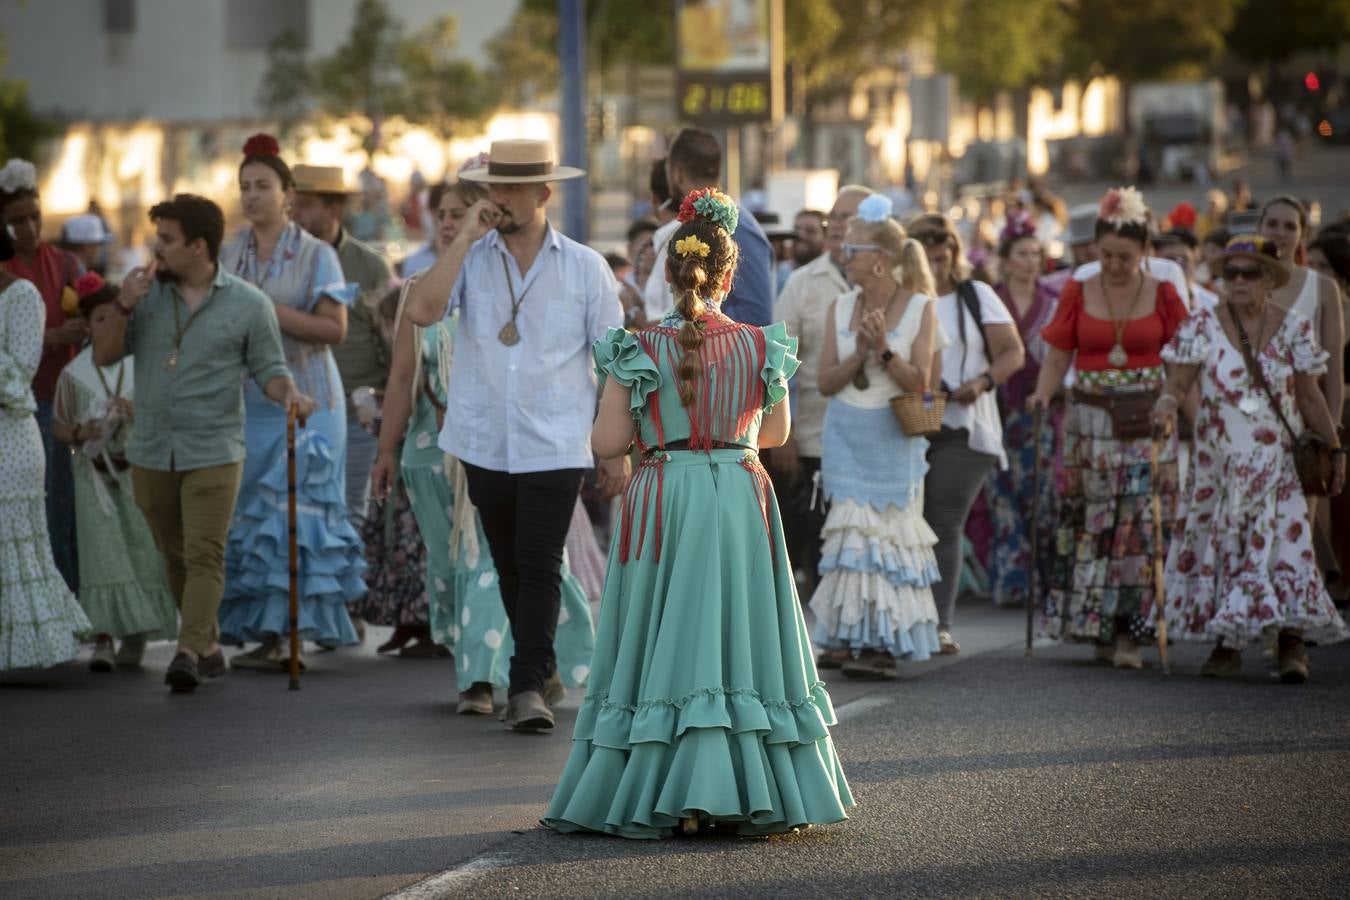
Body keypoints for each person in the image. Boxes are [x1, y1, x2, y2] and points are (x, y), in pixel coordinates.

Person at [542, 187, 853, 838]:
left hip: (663, 491)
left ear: (666, 270)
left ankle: (664, 788)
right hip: (739, 492)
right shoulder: (761, 345)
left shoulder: (638, 346)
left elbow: (604, 443)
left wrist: (643, 427)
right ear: (730, 273)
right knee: (737, 640)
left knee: (669, 637)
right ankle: (748, 786)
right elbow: (773, 435)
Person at [404, 139, 627, 731]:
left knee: (539, 560)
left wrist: (618, 448)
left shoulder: (585, 266)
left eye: (510, 188)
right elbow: (422, 310)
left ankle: (525, 686)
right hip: (482, 438)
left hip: (556, 441)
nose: (498, 198)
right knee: (509, 566)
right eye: (493, 187)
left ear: (543, 194)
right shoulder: (470, 258)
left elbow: (614, 363)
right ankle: (543, 667)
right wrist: (461, 239)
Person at [92, 193, 312, 693]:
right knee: (173, 557)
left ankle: (187, 652)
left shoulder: (248, 304)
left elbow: (270, 369)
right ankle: (208, 644)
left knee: (205, 553)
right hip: (150, 449)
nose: (156, 248)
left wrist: (291, 393)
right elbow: (104, 355)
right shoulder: (144, 298)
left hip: (215, 449)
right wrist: (122, 303)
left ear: (198, 246)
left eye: (167, 240)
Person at [1152, 235, 1347, 681]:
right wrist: (1165, 404)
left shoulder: (1296, 326)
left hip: (1277, 460)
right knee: (1227, 546)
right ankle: (1227, 645)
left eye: (1249, 272)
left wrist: (1334, 447)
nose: (1238, 281)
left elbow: (1310, 397)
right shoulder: (1201, 324)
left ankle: (1292, 645)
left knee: (1288, 548)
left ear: (1269, 279)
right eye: (1230, 273)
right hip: (1219, 464)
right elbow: (1178, 383)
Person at [216, 135, 366, 668]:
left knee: (296, 516)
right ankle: (264, 631)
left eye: (263, 186)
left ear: (288, 194)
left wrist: (263, 310)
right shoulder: (228, 252)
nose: (252, 196)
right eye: (245, 187)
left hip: (309, 400)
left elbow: (333, 327)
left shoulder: (316, 253)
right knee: (252, 518)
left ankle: (292, 631)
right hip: (247, 400)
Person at [1026, 187, 1187, 668]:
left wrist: (1176, 399)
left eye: (1125, 256)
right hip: (1090, 422)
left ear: (1145, 252)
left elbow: (1184, 358)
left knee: (1139, 525)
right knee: (1093, 523)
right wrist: (1041, 392)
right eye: (1106, 255)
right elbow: (1058, 354)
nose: (1114, 265)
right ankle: (1094, 624)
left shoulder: (1163, 291)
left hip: (1148, 419)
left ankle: (1130, 636)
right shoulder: (1078, 288)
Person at [808, 195, 943, 679]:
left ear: (880, 260)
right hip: (845, 434)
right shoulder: (839, 305)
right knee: (851, 541)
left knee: (885, 542)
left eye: (854, 250)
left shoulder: (921, 307)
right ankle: (851, 637)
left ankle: (882, 642)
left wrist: (883, 350)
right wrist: (859, 354)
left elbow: (921, 384)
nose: (846, 257)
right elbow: (824, 382)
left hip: (892, 438)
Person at [908, 212, 1024, 649]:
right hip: (913, 421)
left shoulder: (975, 295)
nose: (936, 268)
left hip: (964, 424)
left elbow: (1012, 352)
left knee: (941, 520)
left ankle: (938, 623)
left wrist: (982, 382)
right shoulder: (904, 298)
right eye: (928, 259)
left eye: (944, 258)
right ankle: (908, 619)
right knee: (906, 519)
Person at [51, 273, 176, 671]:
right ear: (87, 325)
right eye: (99, 319)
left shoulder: (140, 364)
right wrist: (78, 432)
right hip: (92, 478)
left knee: (139, 548)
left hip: (134, 471)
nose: (108, 326)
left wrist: (138, 413)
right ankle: (102, 636)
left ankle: (136, 634)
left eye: (114, 317)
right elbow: (58, 425)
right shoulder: (73, 374)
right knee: (100, 555)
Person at [0, 207, 90, 670]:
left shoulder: (22, 296)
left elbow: (17, 378)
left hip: (10, 442)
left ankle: (26, 650)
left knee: (14, 544)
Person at [771, 186, 870, 597]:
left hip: (874, 434)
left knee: (866, 539)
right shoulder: (802, 282)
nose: (835, 226)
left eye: (847, 218)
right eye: (834, 216)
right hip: (817, 434)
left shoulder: (892, 280)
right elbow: (776, 360)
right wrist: (784, 434)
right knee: (822, 536)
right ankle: (830, 633)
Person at [290, 163, 395, 536]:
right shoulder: (282, 264)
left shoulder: (369, 265)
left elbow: (391, 342)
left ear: (333, 210)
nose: (294, 213)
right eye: (292, 203)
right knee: (299, 516)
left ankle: (349, 596)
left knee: (352, 516)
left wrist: (387, 412)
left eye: (304, 204)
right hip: (294, 409)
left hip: (357, 414)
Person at [0, 158, 83, 591]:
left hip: (64, 398)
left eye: (35, 216)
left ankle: (66, 597)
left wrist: (84, 324)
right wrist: (51, 335)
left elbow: (96, 314)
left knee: (64, 508)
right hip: (17, 408)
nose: (29, 228)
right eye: (17, 221)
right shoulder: (5, 273)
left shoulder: (68, 264)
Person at [348, 287, 434, 656]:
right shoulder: (398, 361)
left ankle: (427, 626)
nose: (385, 330)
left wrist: (376, 418)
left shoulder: (421, 359)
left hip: (415, 474)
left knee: (417, 553)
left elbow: (409, 414)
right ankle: (404, 622)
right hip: (396, 479)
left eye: (389, 322)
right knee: (394, 548)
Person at [641, 128, 773, 326]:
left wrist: (688, 324)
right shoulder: (686, 225)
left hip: (718, 354)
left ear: (676, 173)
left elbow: (756, 316)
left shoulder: (739, 227)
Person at [1259, 196, 1344, 419]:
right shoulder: (1237, 285)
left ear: (1303, 234)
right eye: (1272, 224)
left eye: (1289, 226)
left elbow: (1334, 366)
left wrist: (1332, 430)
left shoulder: (1323, 287)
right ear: (1259, 228)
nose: (1279, 232)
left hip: (1305, 418)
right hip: (1249, 415)